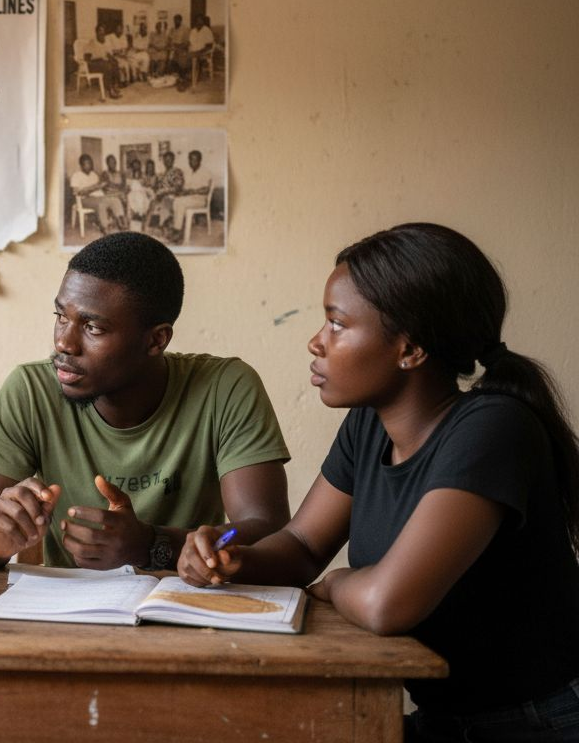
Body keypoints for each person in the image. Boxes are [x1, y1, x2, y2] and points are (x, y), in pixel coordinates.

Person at [178, 223, 579, 742]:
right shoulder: (370, 425)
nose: (316, 342)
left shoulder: (493, 429)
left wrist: (338, 583)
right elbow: (302, 545)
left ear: (409, 350)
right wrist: (228, 559)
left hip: (540, 721)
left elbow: (388, 605)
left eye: (337, 323)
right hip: (447, 719)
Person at [0, 232, 291, 572]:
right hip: (68, 616)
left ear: (156, 340)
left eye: (92, 327)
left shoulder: (225, 388)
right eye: (61, 317)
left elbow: (265, 529)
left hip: (190, 610)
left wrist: (149, 545)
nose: (64, 342)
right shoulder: (31, 391)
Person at [69, 154, 125, 233]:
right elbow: (77, 192)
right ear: (81, 165)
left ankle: (120, 223)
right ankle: (105, 227)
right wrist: (93, 189)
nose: (90, 165)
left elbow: (99, 187)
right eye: (87, 163)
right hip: (84, 199)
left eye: (91, 163)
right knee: (101, 204)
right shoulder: (76, 176)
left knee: (115, 200)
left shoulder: (94, 175)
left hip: (97, 197)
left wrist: (103, 186)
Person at [173, 150, 212, 239]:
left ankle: (177, 231)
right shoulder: (188, 172)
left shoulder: (206, 172)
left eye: (195, 160)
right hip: (189, 198)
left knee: (180, 202)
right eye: (190, 159)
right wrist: (181, 191)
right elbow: (185, 187)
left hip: (200, 199)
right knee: (176, 200)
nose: (192, 162)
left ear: (200, 160)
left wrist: (192, 191)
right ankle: (178, 227)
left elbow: (206, 190)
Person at [151, 150, 185, 239]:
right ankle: (159, 227)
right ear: (163, 161)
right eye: (165, 160)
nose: (167, 162)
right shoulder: (162, 174)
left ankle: (164, 227)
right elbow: (157, 186)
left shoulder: (177, 171)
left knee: (164, 201)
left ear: (173, 160)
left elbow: (178, 187)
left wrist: (164, 192)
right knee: (151, 202)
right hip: (161, 196)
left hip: (173, 197)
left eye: (169, 160)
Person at [100, 154, 130, 230]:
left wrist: (122, 189)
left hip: (119, 193)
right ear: (107, 164)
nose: (113, 164)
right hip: (109, 194)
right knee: (121, 197)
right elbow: (106, 186)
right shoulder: (105, 173)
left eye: (114, 162)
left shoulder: (120, 173)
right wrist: (117, 187)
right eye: (110, 162)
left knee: (124, 196)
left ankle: (122, 221)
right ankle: (121, 222)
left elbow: (123, 185)